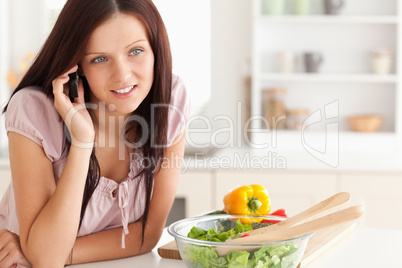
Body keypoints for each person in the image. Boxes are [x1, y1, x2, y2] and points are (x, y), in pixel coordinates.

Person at [0, 0, 190, 266]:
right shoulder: (34, 111)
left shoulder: (170, 100)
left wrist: (47, 251)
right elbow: (46, 260)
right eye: (100, 59)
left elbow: (147, 235)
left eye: (135, 51)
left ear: (155, 49)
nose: (122, 75)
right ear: (77, 66)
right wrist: (81, 141)